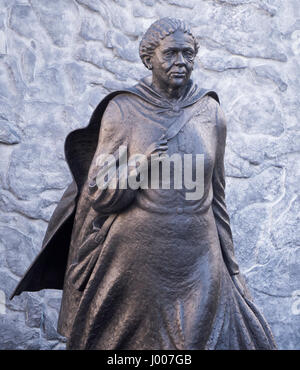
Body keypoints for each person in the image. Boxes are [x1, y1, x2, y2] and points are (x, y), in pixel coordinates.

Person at [11, 18, 277, 350]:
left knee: (192, 343)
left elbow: (217, 197)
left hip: (199, 256)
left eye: (188, 53)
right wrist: (141, 166)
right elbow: (100, 194)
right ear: (149, 58)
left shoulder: (210, 112)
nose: (181, 62)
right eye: (171, 54)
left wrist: (234, 270)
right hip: (136, 257)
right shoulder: (123, 110)